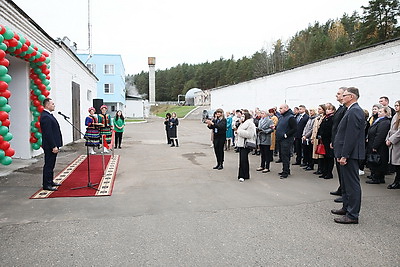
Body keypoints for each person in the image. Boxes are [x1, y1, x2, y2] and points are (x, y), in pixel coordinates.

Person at [331, 87, 365, 224]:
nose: (341, 97)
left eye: (344, 95)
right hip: (346, 153)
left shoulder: (355, 111)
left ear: (351, 96)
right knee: (346, 183)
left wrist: (344, 155)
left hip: (350, 154)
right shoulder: (350, 110)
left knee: (352, 184)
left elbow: (351, 136)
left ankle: (352, 215)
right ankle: (346, 207)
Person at [40, 98, 63, 191]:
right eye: (52, 104)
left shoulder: (49, 115)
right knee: (48, 165)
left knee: (51, 164)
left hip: (53, 145)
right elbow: (48, 133)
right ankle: (46, 184)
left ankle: (50, 181)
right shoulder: (45, 116)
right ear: (47, 105)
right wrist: (53, 146)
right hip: (50, 146)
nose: (54, 105)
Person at [329, 87, 347, 201]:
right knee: (339, 170)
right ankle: (341, 188)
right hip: (336, 141)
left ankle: (345, 192)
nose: (337, 95)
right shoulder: (341, 108)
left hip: (341, 143)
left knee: (343, 170)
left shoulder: (346, 109)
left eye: (339, 94)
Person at [365, 107, 391, 184]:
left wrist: (375, 146)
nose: (378, 112)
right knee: (376, 161)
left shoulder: (385, 122)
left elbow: (380, 135)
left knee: (378, 161)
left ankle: (377, 178)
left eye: (380, 111)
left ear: (386, 113)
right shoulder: (379, 120)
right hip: (373, 143)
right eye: (378, 111)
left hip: (379, 146)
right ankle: (376, 176)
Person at [276, 104, 297, 179]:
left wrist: (286, 135)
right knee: (282, 155)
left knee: (285, 156)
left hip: (286, 140)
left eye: (281, 108)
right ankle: (285, 170)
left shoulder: (291, 117)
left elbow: (294, 128)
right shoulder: (282, 117)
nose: (279, 110)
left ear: (286, 108)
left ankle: (285, 172)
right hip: (280, 139)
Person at [236, 111, 257, 182]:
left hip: (245, 144)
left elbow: (250, 134)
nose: (242, 118)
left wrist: (239, 132)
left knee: (243, 160)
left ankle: (242, 175)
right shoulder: (243, 123)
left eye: (243, 116)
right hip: (241, 144)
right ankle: (245, 174)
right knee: (243, 160)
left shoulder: (250, 124)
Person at [317, 103, 336, 179]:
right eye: (327, 109)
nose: (327, 111)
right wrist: (319, 135)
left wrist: (332, 140)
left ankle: (329, 173)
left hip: (329, 140)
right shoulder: (325, 118)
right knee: (324, 156)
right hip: (323, 139)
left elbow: (332, 130)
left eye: (329, 109)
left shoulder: (332, 118)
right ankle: (324, 171)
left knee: (329, 157)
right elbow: (321, 127)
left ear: (333, 110)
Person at [386, 100, 400, 189]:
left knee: (398, 164)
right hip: (394, 143)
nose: (396, 107)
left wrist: (391, 140)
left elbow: (399, 132)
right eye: (395, 105)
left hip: (398, 143)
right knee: (396, 164)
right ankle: (397, 181)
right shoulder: (395, 116)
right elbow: (391, 130)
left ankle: (397, 181)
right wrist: (387, 138)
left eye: (397, 105)